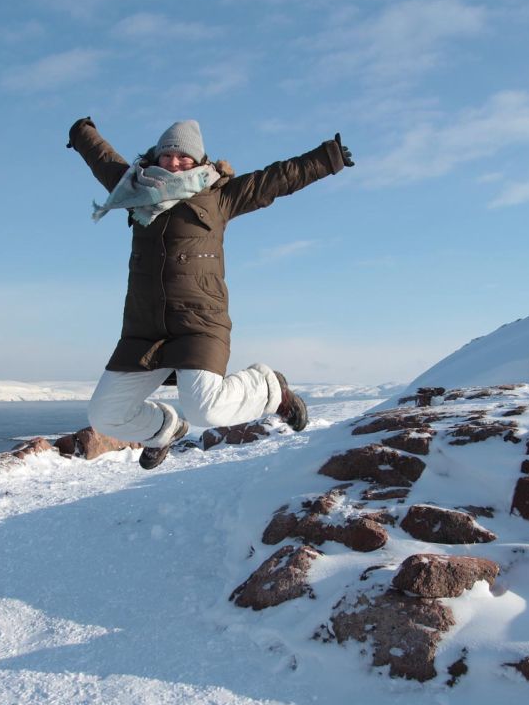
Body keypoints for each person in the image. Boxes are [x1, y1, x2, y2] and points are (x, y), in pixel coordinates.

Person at [67, 117, 354, 469]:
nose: (174, 162)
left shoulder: (218, 197)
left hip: (199, 320)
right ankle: (163, 429)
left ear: (200, 161)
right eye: (167, 155)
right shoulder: (134, 190)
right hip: (144, 327)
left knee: (205, 407)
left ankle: (270, 387)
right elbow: (103, 158)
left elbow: (276, 179)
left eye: (184, 157)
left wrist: (327, 158)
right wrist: (81, 132)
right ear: (155, 157)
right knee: (104, 414)